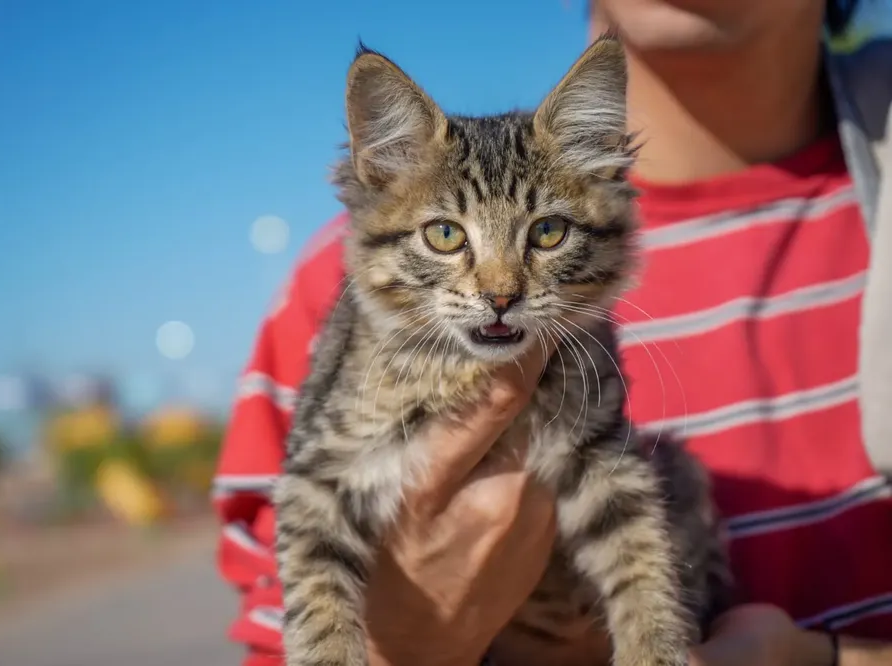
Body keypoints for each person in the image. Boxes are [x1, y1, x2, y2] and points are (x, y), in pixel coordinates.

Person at [213, 1, 892, 665]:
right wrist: (409, 647)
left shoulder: (580, 336)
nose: (499, 287)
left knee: (665, 480)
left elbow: (613, 489)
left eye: (546, 233)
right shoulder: (318, 305)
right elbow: (308, 514)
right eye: (446, 235)